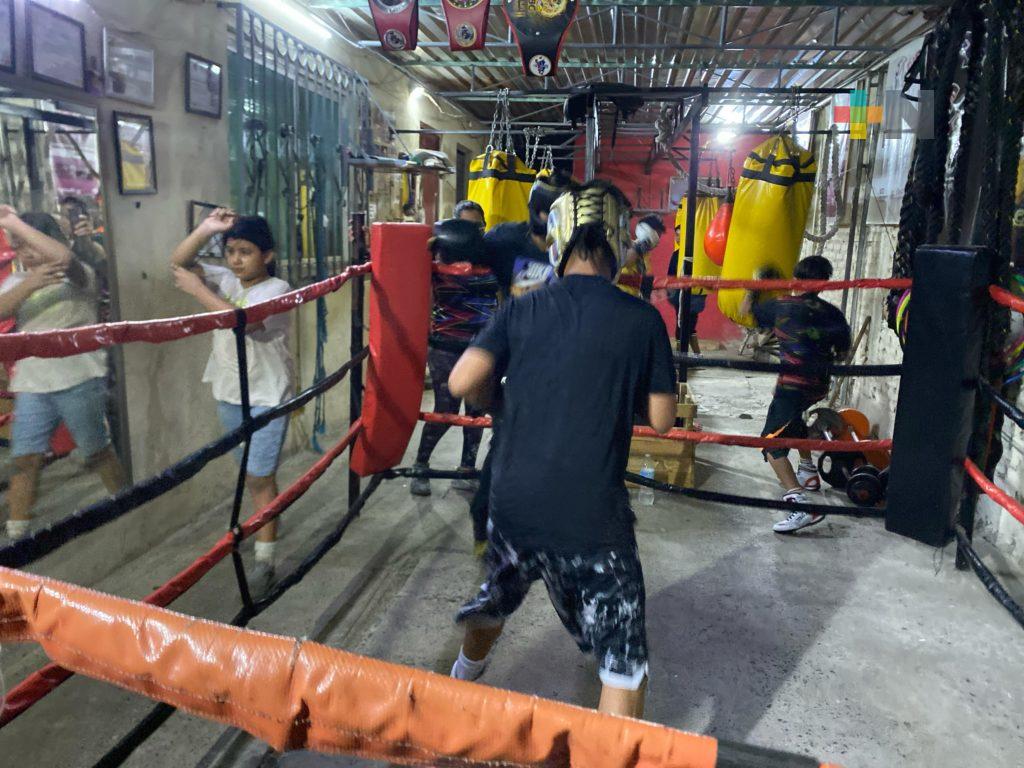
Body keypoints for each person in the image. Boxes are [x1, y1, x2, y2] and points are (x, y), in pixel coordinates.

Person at [447, 180, 677, 718]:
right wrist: (616, 396)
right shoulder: (642, 319)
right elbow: (663, 419)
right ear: (618, 243)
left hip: (514, 501)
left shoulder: (523, 308)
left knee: (498, 593)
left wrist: (496, 399)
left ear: (557, 240)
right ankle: (612, 749)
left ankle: (460, 683)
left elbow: (461, 381)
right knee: (623, 658)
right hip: (591, 513)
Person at [170, 209, 292, 591]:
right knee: (253, 477)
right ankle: (269, 519)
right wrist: (207, 228)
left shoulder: (278, 289)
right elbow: (178, 263)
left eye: (246, 252)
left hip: (267, 394)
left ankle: (265, 558)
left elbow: (245, 323)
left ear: (267, 255)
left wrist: (199, 291)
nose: (236, 260)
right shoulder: (226, 279)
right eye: (231, 251)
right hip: (228, 392)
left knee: (259, 477)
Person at [0, 207, 125, 539]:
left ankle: (126, 504)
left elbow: (65, 259)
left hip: (79, 377)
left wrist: (13, 222)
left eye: (32, 243)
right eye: (19, 246)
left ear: (50, 239)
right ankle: (17, 534)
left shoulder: (80, 274)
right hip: (33, 383)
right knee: (25, 458)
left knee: (96, 452)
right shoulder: (17, 282)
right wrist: (31, 283)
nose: (26, 253)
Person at [740, 255, 851, 533]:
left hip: (792, 387)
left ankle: (800, 505)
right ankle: (808, 471)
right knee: (793, 422)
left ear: (796, 278)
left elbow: (745, 313)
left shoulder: (781, 306)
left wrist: (754, 287)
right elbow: (843, 352)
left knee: (770, 442)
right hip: (818, 385)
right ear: (824, 282)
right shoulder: (833, 313)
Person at [410, 200, 499, 500]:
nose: (470, 232)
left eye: (476, 226)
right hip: (445, 346)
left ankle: (466, 470)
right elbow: (402, 262)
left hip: (481, 348)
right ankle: (421, 466)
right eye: (464, 226)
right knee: (446, 410)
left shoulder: (493, 259)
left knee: (476, 412)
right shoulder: (436, 260)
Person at [615, 214, 666, 299]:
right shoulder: (628, 246)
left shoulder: (645, 255)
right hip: (619, 296)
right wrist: (640, 246)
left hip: (632, 298)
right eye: (657, 233)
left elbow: (642, 279)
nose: (658, 239)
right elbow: (624, 261)